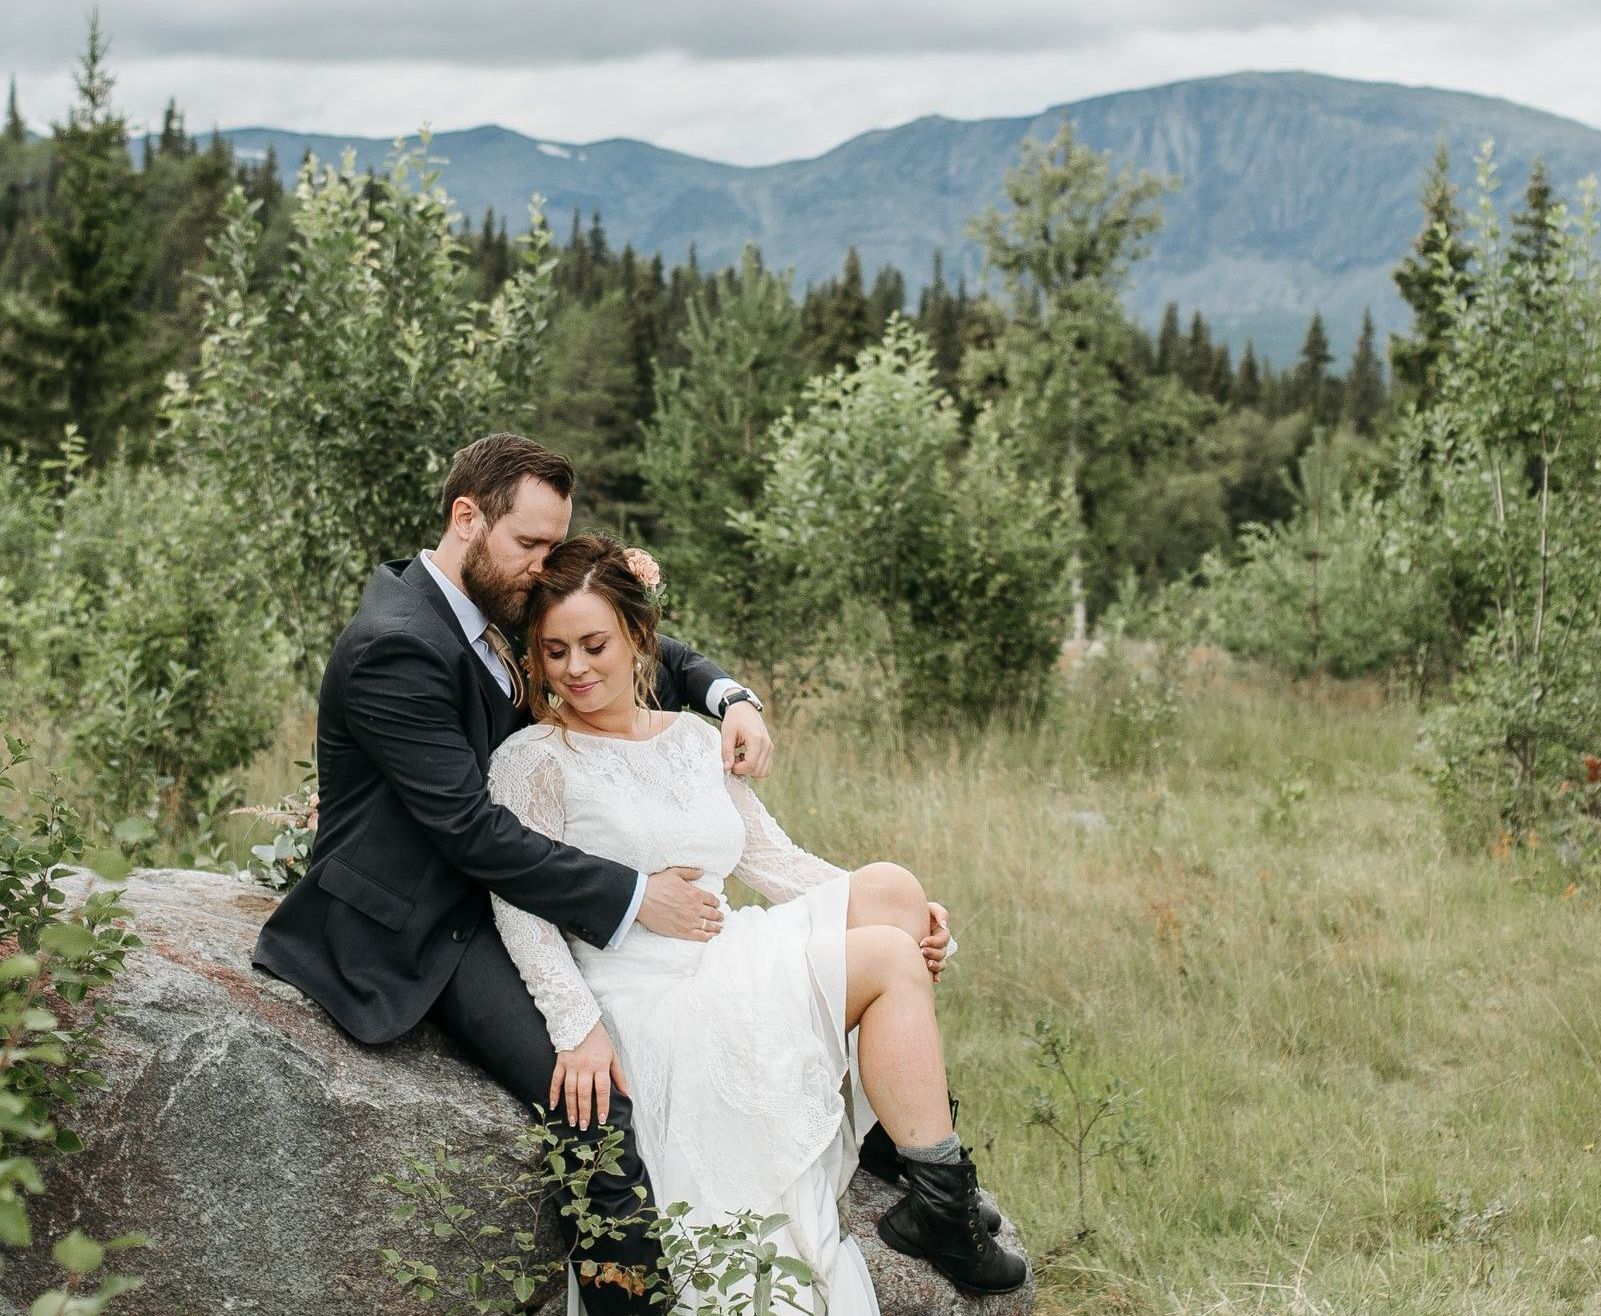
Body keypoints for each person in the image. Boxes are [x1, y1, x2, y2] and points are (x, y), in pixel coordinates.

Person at [253, 434, 773, 1314]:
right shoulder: (397, 642)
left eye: (550, 545)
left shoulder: (480, 606)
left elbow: (623, 637)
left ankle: (912, 1170)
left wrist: (726, 693)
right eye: (529, 545)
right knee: (597, 1102)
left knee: (754, 1006)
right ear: (467, 517)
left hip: (510, 903)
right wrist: (635, 898)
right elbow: (471, 833)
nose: (542, 565)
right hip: (427, 922)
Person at [485, 535, 1028, 1314]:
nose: (575, 669)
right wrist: (573, 1025)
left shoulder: (693, 737)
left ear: (640, 638)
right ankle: (942, 1194)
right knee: (880, 958)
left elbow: (773, 862)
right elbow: (517, 897)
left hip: (726, 951)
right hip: (648, 991)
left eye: (594, 644)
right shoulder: (535, 757)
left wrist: (923, 921)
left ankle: (922, 1174)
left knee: (891, 892)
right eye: (555, 651)